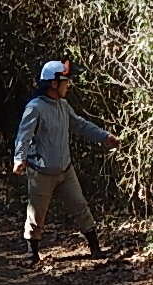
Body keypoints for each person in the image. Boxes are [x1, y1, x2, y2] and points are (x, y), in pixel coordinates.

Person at [12, 59, 120, 263]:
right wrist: (19, 158)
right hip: (41, 172)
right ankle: (32, 253)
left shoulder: (63, 105)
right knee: (36, 214)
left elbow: (80, 125)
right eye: (66, 81)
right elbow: (23, 136)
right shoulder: (35, 107)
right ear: (53, 83)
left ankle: (95, 249)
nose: (68, 85)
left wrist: (104, 137)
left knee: (80, 206)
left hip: (65, 169)